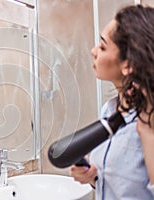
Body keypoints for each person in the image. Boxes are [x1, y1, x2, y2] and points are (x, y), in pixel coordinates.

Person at [69, 5, 154, 199]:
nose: (93, 51)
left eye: (103, 46)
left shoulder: (149, 121)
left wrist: (149, 132)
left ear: (128, 64)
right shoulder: (109, 111)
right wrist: (91, 176)